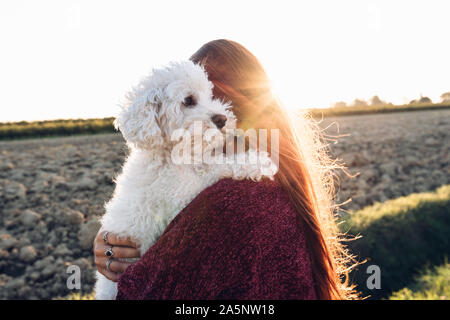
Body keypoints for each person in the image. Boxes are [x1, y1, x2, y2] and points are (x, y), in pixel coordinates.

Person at [93, 39, 356, 299]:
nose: (217, 115)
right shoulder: (279, 184)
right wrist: (110, 250)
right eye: (191, 102)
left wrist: (117, 261)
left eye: (217, 99)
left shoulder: (229, 201)